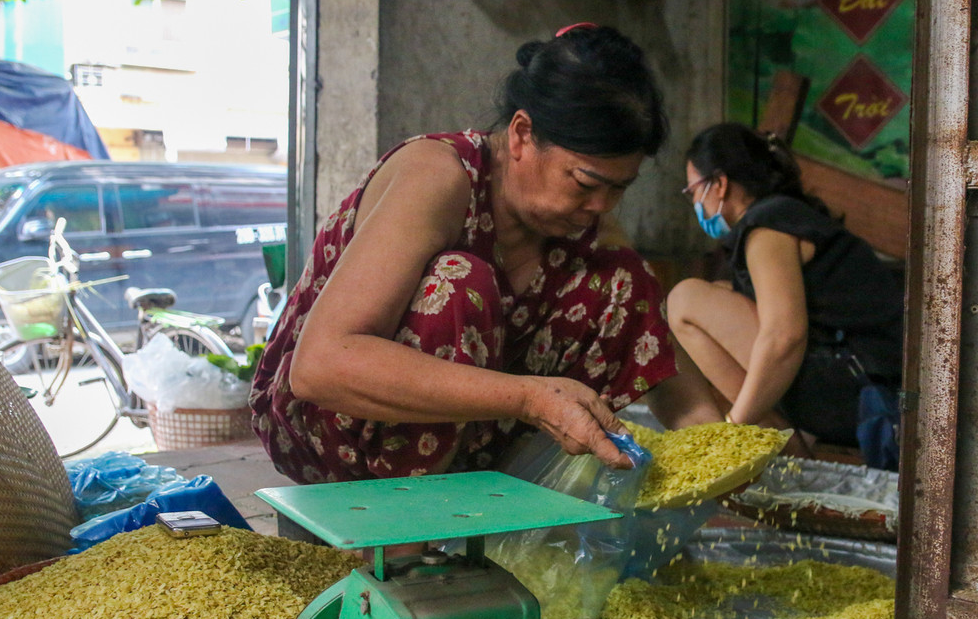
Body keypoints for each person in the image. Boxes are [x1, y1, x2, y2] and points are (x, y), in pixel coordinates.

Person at [251, 24, 721, 484]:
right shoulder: (439, 176)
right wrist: (530, 398)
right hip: (333, 430)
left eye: (618, 189)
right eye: (584, 183)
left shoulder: (586, 223)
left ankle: (503, 511)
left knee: (624, 281)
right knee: (459, 283)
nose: (600, 206)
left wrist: (718, 449)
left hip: (469, 446)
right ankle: (400, 544)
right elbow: (319, 367)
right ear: (521, 135)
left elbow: (650, 338)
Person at [665, 123, 903, 449]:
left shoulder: (769, 230)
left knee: (684, 300)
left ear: (719, 184)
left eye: (693, 191)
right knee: (719, 291)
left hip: (865, 399)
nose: (695, 203)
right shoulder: (785, 216)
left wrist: (734, 424)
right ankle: (774, 432)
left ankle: (771, 437)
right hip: (864, 385)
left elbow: (784, 336)